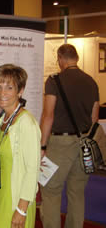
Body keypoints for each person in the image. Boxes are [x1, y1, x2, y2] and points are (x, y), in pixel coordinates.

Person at [40, 44, 99, 228]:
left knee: (50, 190)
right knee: (77, 192)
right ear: (77, 58)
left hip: (59, 143)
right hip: (84, 143)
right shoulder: (91, 81)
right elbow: (94, 118)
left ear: (60, 58)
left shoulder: (53, 80)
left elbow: (48, 115)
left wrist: (42, 146)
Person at [0, 64, 41, 228]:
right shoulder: (3, 120)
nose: (2, 93)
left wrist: (22, 209)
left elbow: (32, 169)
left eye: (9, 87)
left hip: (16, 200)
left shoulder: (26, 123)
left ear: (20, 91)